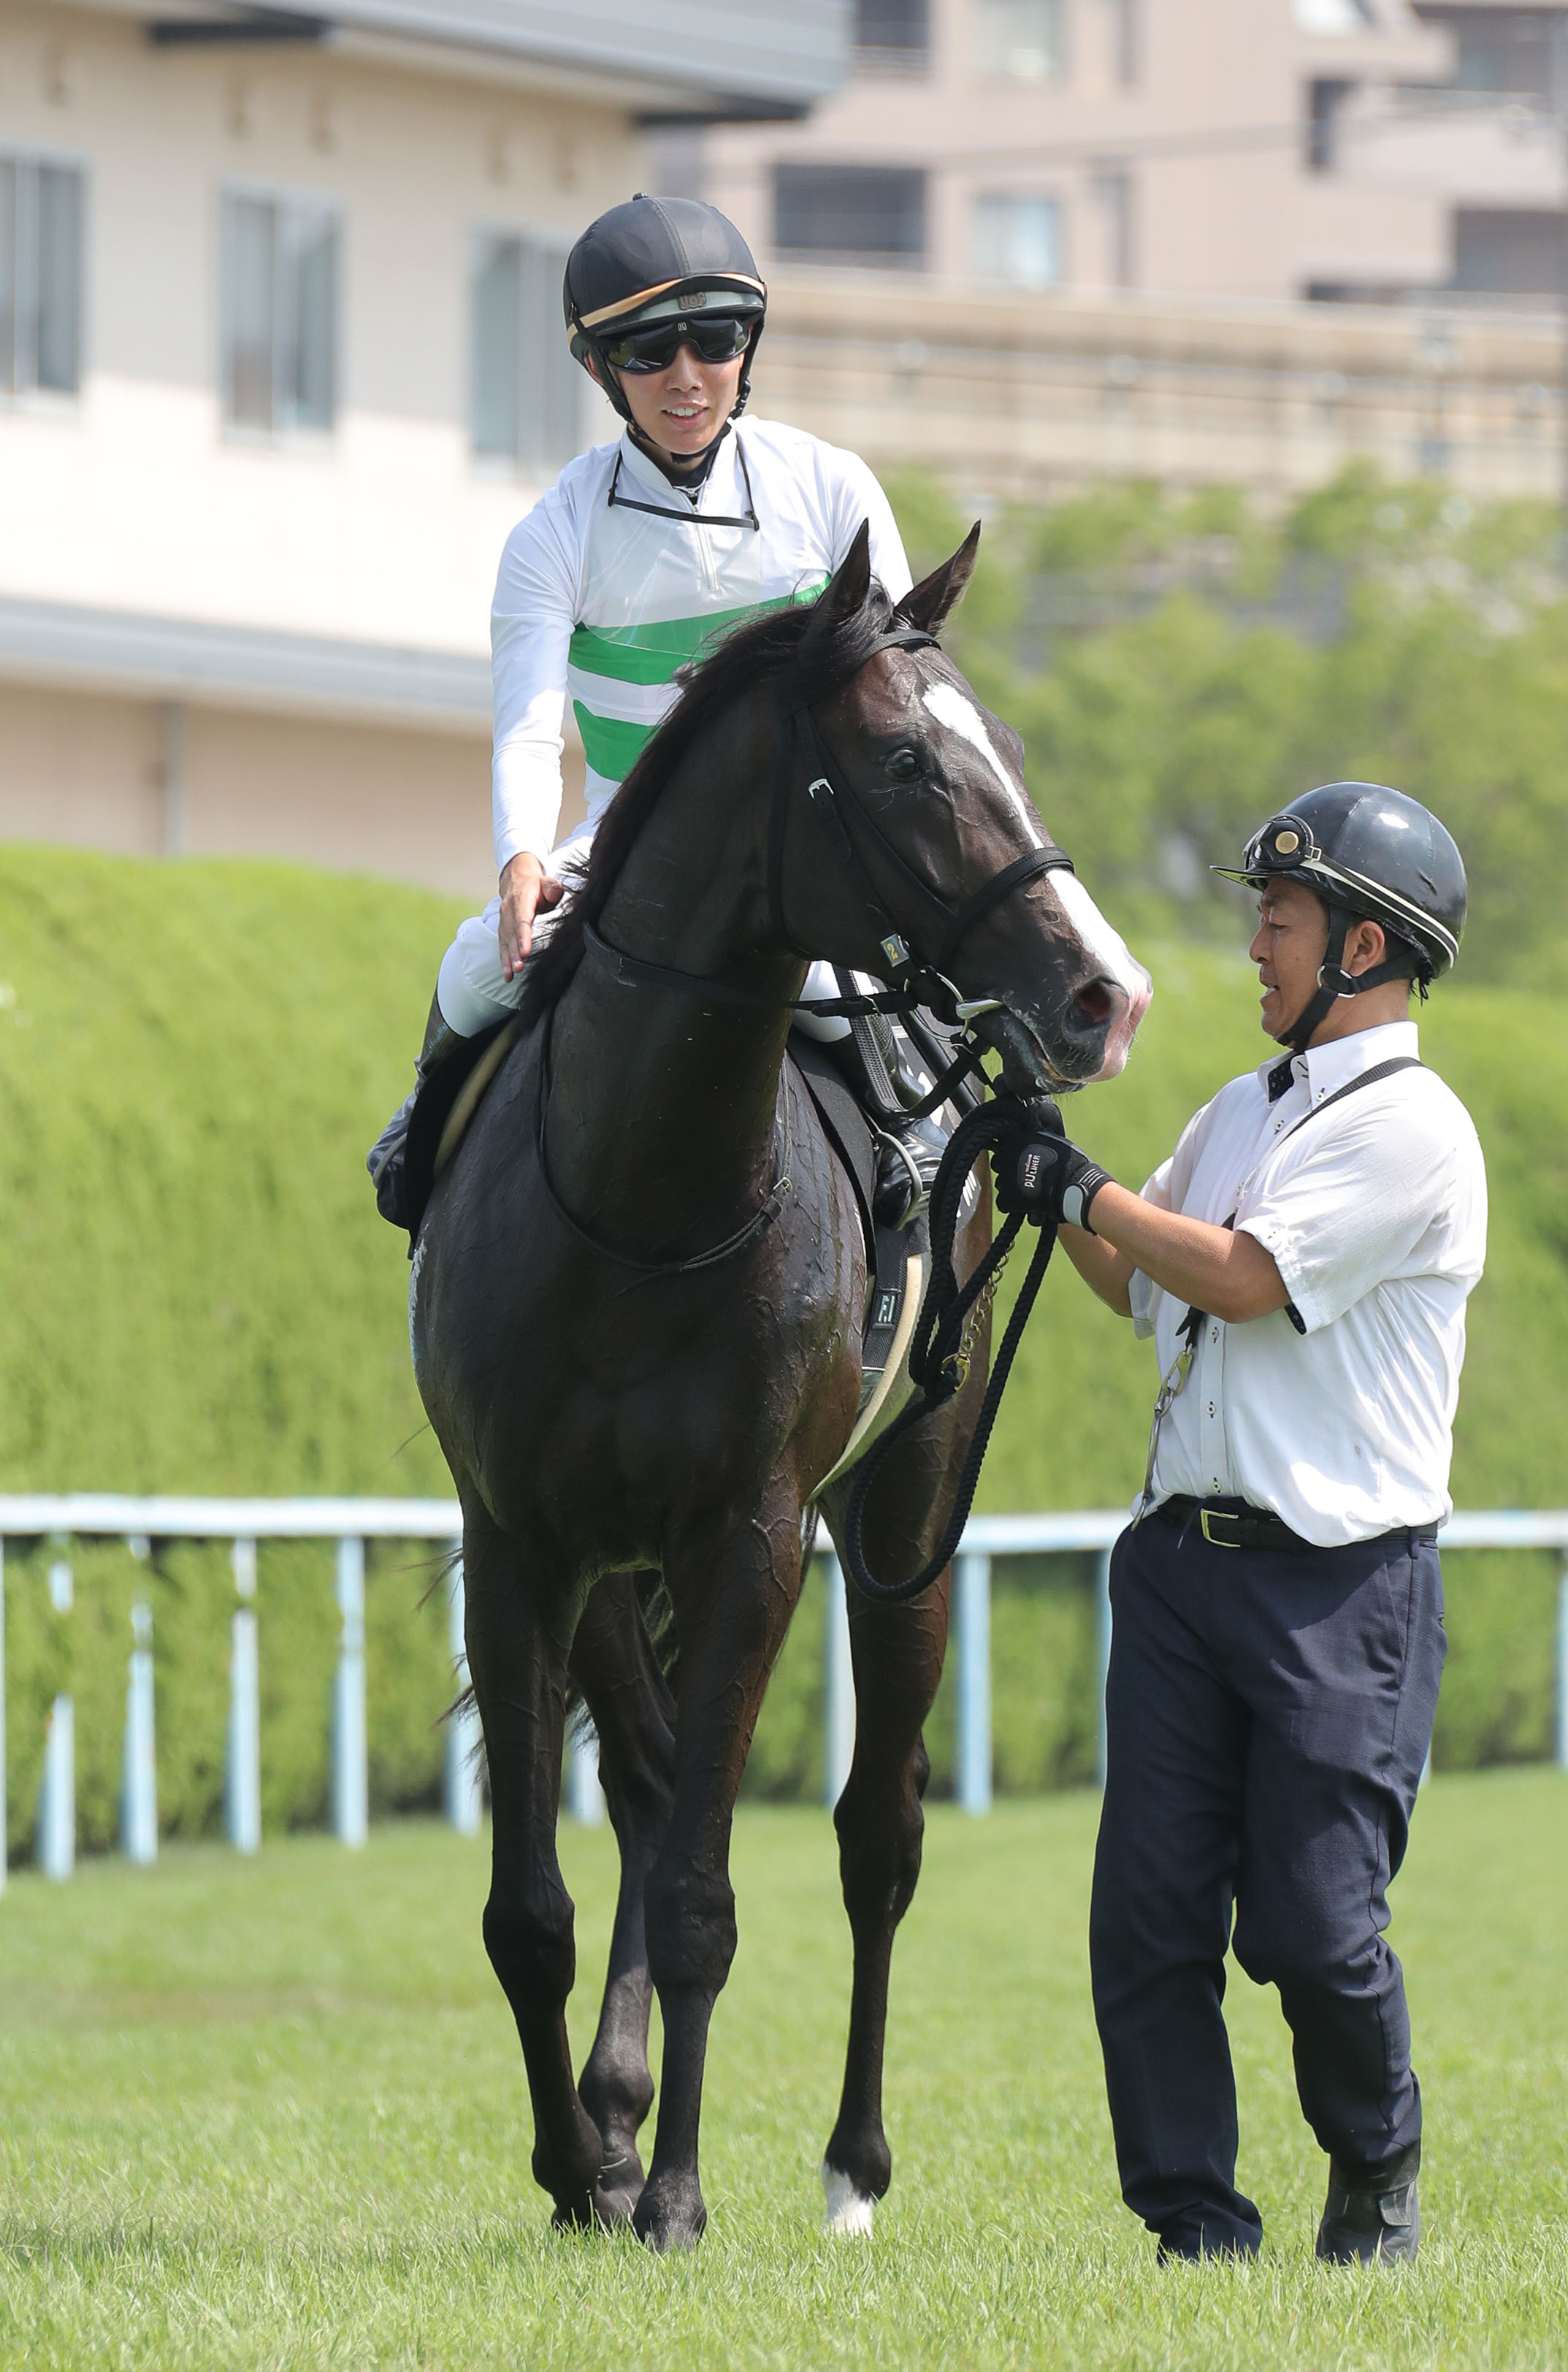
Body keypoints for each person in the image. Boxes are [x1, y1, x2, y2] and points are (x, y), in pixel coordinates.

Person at [995, 781, 1487, 2265]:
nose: (1256, 949)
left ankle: (1375, 2165)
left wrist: (1084, 1185)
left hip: (1339, 1593)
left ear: (1364, 945)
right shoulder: (1238, 1110)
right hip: (1179, 1575)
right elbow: (1143, 1277)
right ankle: (1194, 2229)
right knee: (1146, 1922)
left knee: (1315, 1931)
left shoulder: (1413, 1128)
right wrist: (1035, 1177)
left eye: (1279, 923)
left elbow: (1237, 1276)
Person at [368, 193, 930, 1228]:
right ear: (599, 370)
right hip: (627, 839)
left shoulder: (832, 489)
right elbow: (530, 725)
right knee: (472, 962)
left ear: (747, 346)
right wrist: (523, 858)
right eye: (647, 350)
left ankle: (924, 1145)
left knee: (881, 990)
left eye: (715, 339)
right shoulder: (555, 534)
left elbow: (905, 702)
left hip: (808, 845)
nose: (686, 376)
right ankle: (424, 1121)